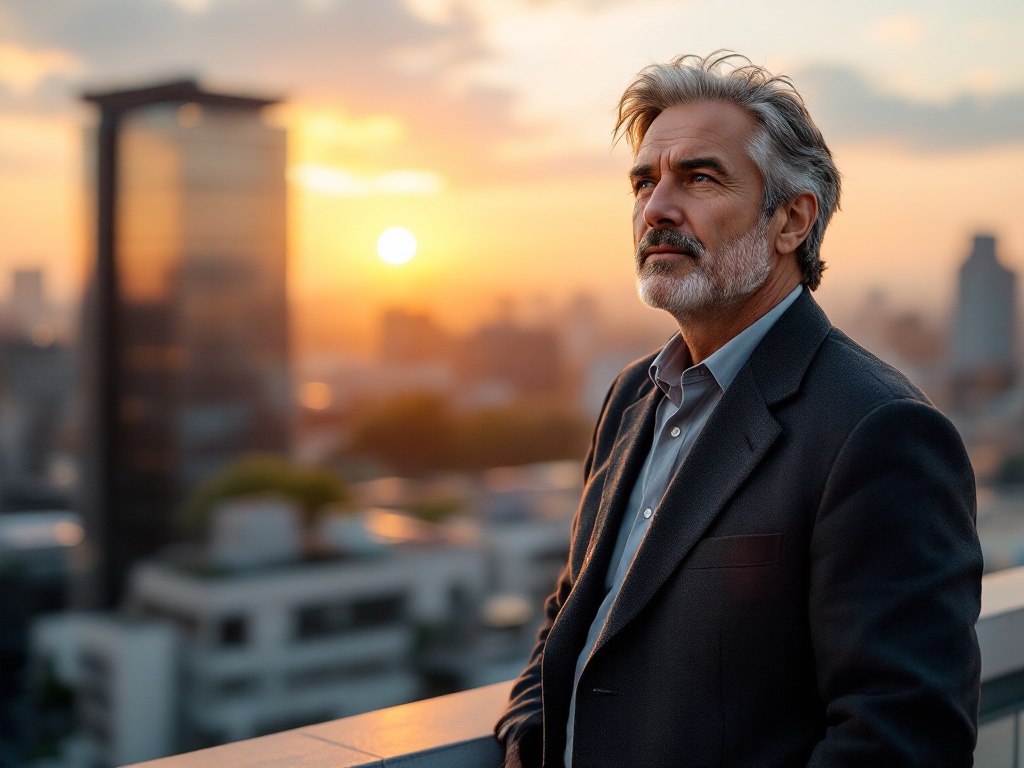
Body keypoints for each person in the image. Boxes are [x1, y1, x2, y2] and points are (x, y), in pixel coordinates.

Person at [495, 52, 982, 768]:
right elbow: (571, 609)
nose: (656, 208)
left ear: (791, 220)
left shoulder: (879, 432)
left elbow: (903, 742)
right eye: (643, 182)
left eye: (698, 176)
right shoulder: (633, 396)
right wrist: (526, 736)